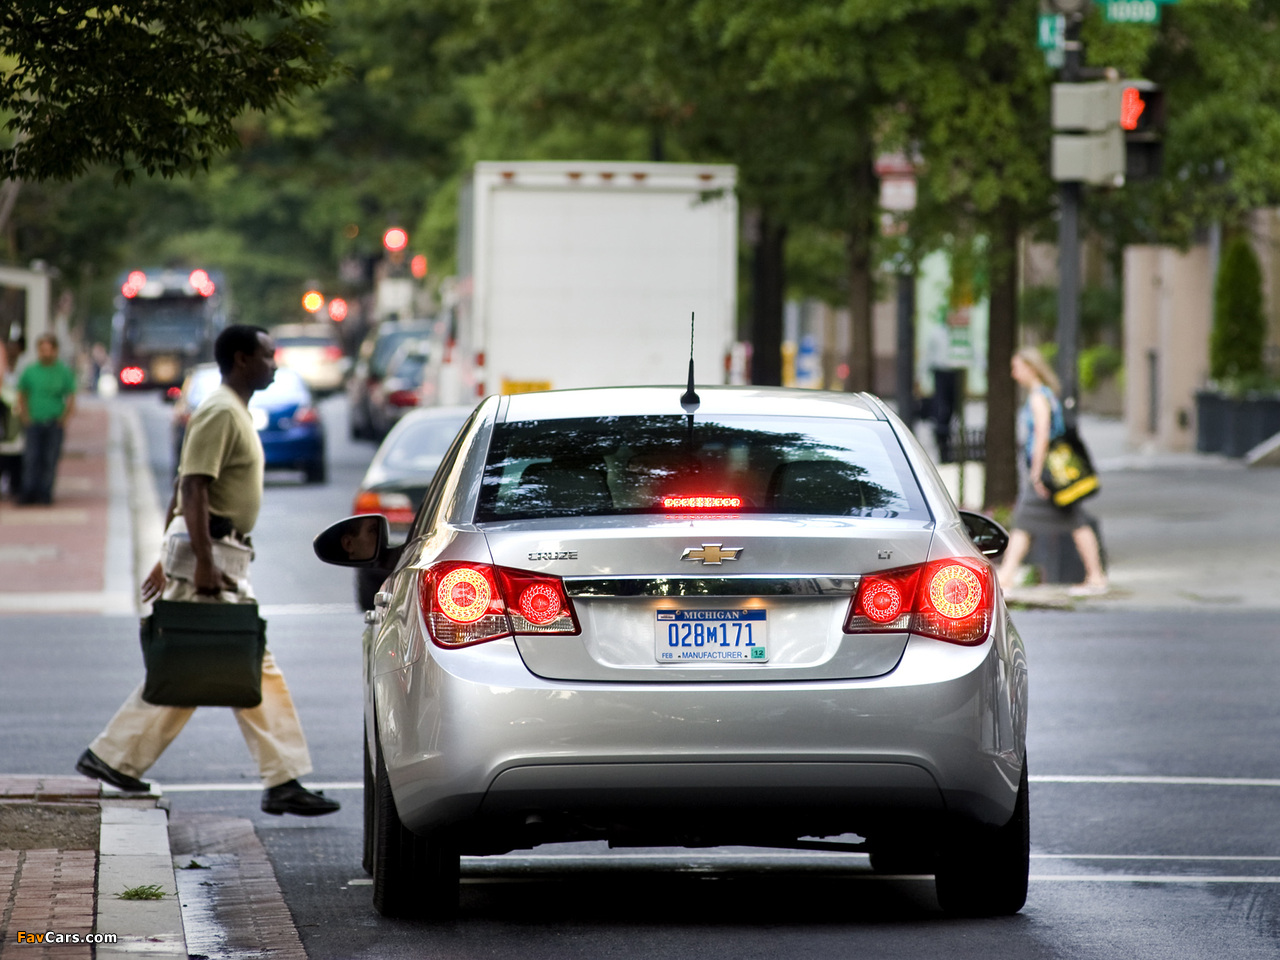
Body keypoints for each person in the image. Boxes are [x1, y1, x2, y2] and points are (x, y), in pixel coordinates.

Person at [76, 325, 340, 817]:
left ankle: (117, 758)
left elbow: (183, 485)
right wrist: (198, 561)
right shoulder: (220, 410)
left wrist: (170, 555)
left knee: (219, 664)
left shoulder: (230, 410)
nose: (274, 363)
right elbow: (194, 486)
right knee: (215, 663)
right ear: (241, 359)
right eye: (266, 355)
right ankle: (115, 757)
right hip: (212, 555)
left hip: (218, 552)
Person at [997, 346, 1108, 597]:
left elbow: (1042, 435)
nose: (1014, 374)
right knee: (1071, 521)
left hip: (1047, 474)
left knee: (1025, 521)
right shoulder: (1047, 395)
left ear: (1031, 368)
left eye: (1017, 368)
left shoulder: (1038, 398)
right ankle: (1096, 575)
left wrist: (1036, 473)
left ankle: (1007, 574)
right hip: (1055, 473)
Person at [15, 333, 77, 505]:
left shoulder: (63, 371)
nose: (45, 354)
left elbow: (71, 395)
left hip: (54, 422)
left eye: (49, 350)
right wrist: (25, 416)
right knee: (31, 458)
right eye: (42, 350)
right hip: (34, 422)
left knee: (49, 459)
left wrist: (64, 419)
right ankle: (28, 492)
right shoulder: (30, 371)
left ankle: (45, 493)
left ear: (55, 351)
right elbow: (22, 394)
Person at [0, 338, 26, 499]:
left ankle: (15, 485)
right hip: (5, 416)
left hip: (16, 418)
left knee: (16, 454)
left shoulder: (24, 367)